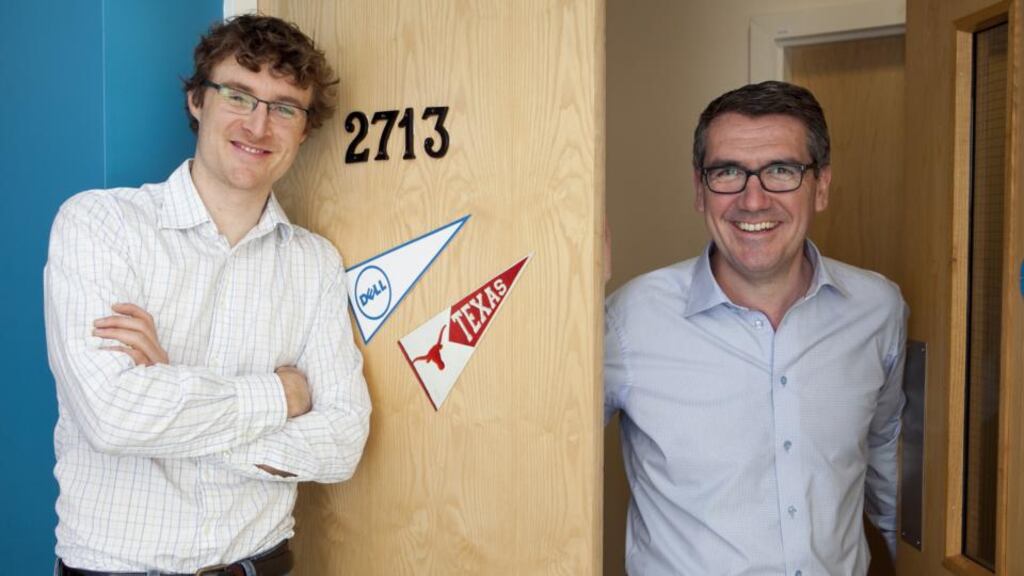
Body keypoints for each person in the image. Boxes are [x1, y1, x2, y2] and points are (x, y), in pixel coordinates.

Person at [44, 14, 371, 575]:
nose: (259, 125)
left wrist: (171, 397)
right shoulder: (100, 224)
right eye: (238, 95)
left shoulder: (313, 263)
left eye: (285, 108)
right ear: (198, 100)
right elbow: (113, 418)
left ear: (303, 129)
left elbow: (341, 443)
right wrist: (281, 396)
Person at [604, 81, 906, 575]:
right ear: (700, 190)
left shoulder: (878, 310)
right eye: (728, 172)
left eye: (781, 171)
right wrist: (563, 285)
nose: (753, 200)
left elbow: (887, 462)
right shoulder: (630, 320)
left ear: (822, 186)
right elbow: (538, 441)